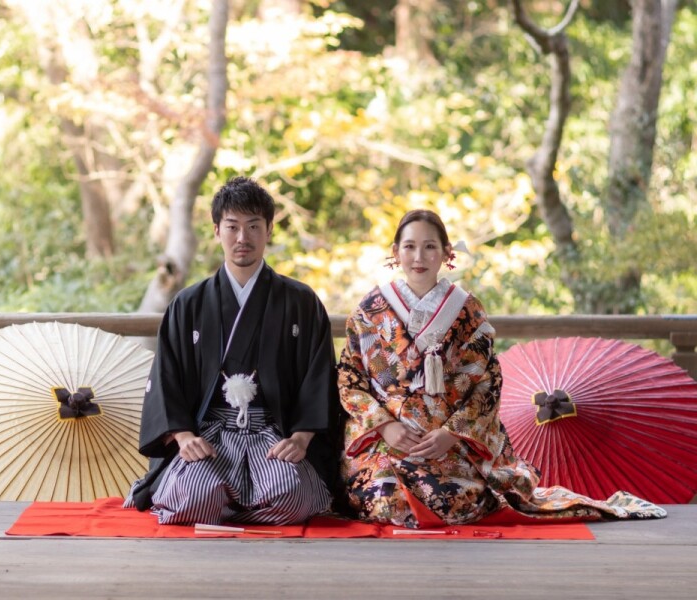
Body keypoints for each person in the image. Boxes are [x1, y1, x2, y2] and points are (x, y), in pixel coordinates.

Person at [337, 209, 666, 528]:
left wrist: (451, 434)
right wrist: (385, 427)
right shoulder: (370, 309)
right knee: (380, 500)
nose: (418, 257)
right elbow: (350, 380)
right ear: (395, 252)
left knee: (450, 501)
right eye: (409, 247)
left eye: (430, 246)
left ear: (446, 253)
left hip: (448, 443)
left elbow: (487, 382)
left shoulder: (465, 309)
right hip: (387, 441)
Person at [125, 176, 338, 526]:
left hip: (274, 434)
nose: (243, 238)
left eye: (254, 226)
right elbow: (167, 376)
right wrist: (183, 436)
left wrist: (301, 438)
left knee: (292, 499)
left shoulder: (300, 301)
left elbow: (319, 375)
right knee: (194, 497)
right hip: (209, 434)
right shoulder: (188, 304)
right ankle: (235, 503)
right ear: (216, 231)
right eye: (233, 227)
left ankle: (234, 506)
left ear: (269, 230)